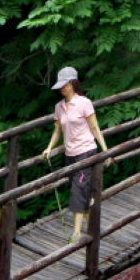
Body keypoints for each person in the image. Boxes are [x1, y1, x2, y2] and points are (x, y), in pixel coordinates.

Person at [39, 66, 110, 243]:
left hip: (86, 151)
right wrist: (49, 148)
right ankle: (94, 227)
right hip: (70, 154)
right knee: (81, 191)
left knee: (77, 190)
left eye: (64, 85)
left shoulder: (84, 103)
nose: (62, 89)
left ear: (72, 83)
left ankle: (76, 233)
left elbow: (95, 127)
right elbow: (57, 130)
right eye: (60, 86)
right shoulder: (59, 107)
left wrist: (106, 151)